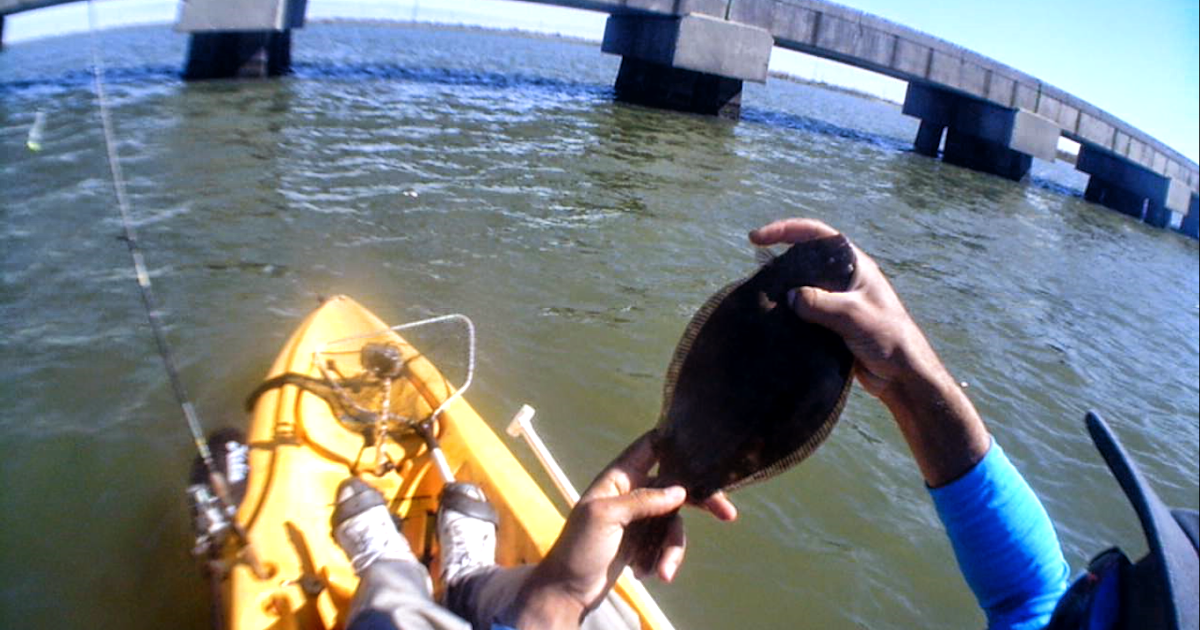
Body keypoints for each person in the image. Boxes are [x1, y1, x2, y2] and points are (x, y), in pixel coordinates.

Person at [332, 218, 1197, 630]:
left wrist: (552, 607)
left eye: (1128, 605)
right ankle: (478, 586)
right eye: (1125, 568)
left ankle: (406, 583)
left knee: (395, 624)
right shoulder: (1059, 618)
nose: (1099, 580)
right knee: (603, 621)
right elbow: (1030, 592)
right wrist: (909, 372)